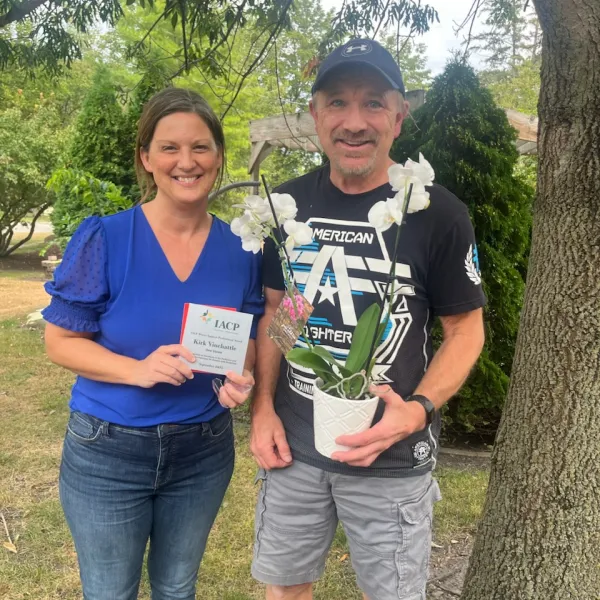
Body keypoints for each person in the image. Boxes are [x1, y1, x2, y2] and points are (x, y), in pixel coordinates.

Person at [250, 39, 486, 600]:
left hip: (392, 456)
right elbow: (281, 312)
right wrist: (262, 408)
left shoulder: (435, 211)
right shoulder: (285, 205)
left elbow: (465, 330)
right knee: (284, 589)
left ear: (399, 117)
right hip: (295, 450)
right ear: (315, 115)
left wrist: (419, 412)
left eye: (374, 103)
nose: (354, 122)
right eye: (337, 102)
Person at [42, 88, 263, 600]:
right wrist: (136, 369)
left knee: (176, 587)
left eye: (201, 147)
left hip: (202, 451)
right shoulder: (106, 238)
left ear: (219, 156)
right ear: (146, 157)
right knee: (110, 592)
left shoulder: (243, 247)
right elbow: (60, 342)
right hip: (108, 450)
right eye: (169, 148)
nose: (186, 162)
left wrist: (241, 375)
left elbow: (247, 334)